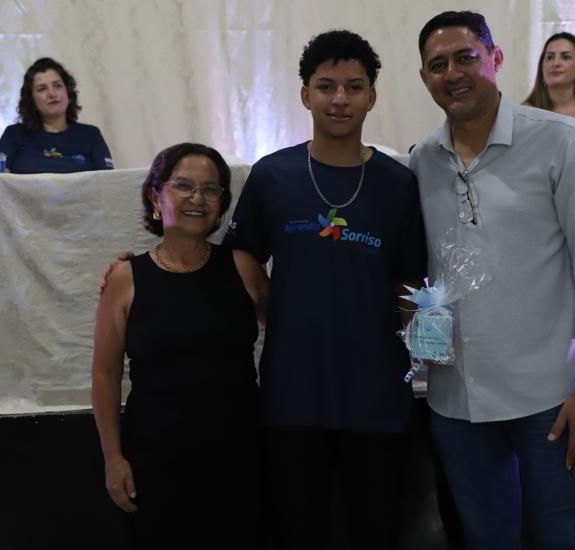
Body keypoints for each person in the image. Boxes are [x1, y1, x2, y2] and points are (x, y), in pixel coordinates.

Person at [410, 11, 575, 549]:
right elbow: (425, 276)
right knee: (486, 540)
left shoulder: (561, 140)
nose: (453, 74)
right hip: (456, 399)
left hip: (550, 394)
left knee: (563, 538)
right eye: (438, 65)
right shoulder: (421, 160)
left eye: (466, 57)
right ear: (424, 77)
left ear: (496, 58)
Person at [224, 30, 428, 549]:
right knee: (298, 531)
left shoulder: (398, 182)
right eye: (326, 86)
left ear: (371, 96)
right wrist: (270, 306)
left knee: (376, 531)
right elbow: (242, 252)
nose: (340, 99)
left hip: (377, 393)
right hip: (293, 391)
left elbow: (410, 280)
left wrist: (425, 345)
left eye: (354, 87)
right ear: (305, 94)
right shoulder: (273, 175)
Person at [90, 142, 267, 549]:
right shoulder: (125, 279)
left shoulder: (244, 267)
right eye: (183, 186)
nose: (197, 198)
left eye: (210, 189)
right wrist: (113, 458)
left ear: (221, 203)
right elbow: (105, 373)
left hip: (240, 454)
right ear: (156, 196)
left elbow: (286, 331)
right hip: (155, 459)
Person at [0, 57, 114, 173]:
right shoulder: (13, 135)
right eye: (42, 89)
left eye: (57, 86)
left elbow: (108, 181)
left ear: (68, 93)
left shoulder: (91, 136)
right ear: (32, 100)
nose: (52, 94)